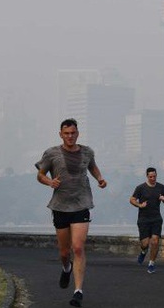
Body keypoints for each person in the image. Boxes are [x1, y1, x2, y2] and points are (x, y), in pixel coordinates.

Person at [35, 118, 107, 307]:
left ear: (77, 133)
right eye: (66, 133)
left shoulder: (87, 151)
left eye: (73, 133)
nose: (70, 136)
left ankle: (78, 291)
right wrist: (50, 182)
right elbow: (40, 175)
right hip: (60, 206)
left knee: (78, 248)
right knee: (65, 252)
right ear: (61, 134)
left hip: (81, 204)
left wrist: (100, 178)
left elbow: (92, 166)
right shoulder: (51, 153)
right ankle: (66, 268)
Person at [129, 167, 164, 274]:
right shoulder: (141, 188)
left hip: (156, 218)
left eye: (154, 176)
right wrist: (140, 205)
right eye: (150, 176)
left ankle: (151, 264)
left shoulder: (161, 187)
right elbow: (132, 199)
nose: (153, 178)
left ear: (156, 175)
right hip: (143, 219)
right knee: (145, 244)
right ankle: (143, 252)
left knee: (155, 241)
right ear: (147, 176)